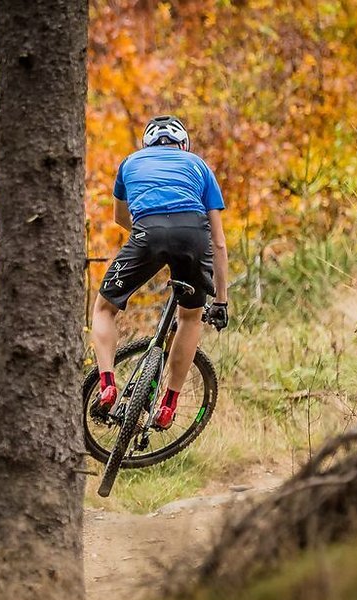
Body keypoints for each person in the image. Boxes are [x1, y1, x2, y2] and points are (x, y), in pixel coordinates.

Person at [91, 115, 229, 429]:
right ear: (184, 145)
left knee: (102, 309)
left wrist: (152, 244)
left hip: (146, 232)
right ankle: (168, 405)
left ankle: (108, 384)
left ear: (147, 145)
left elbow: (120, 218)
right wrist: (221, 301)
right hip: (193, 235)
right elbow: (219, 243)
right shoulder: (199, 166)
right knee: (191, 317)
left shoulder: (129, 163)